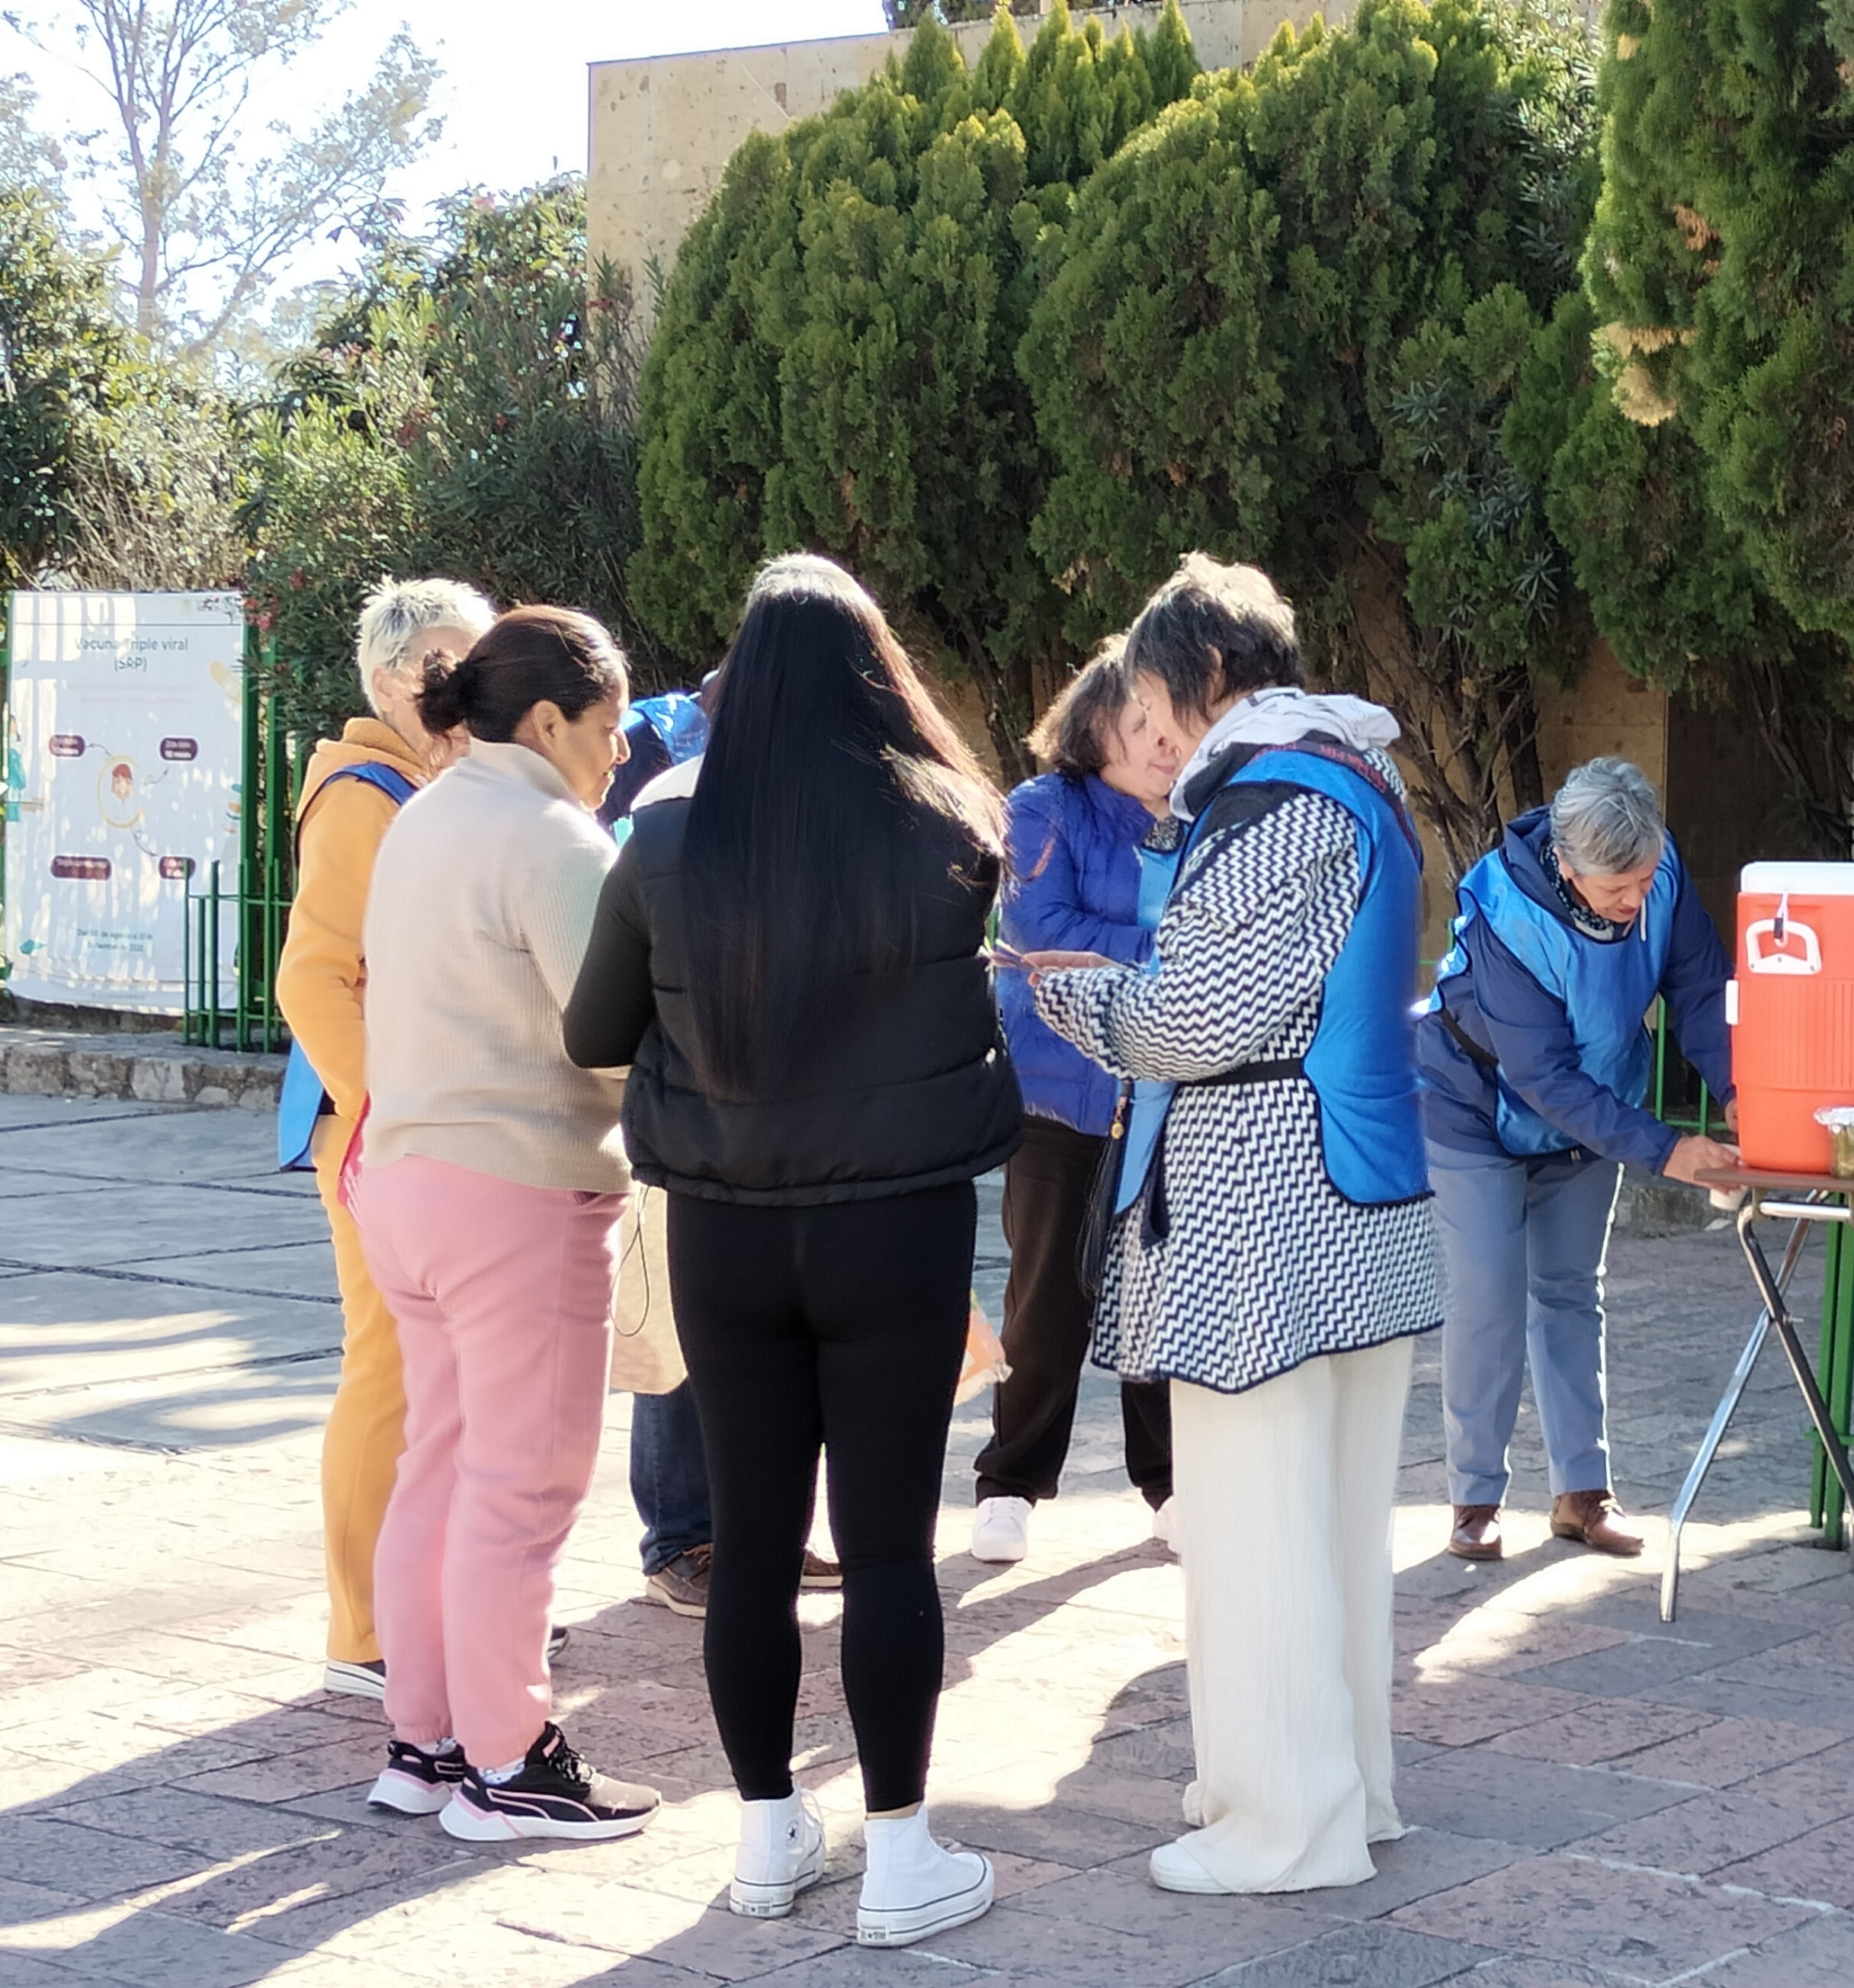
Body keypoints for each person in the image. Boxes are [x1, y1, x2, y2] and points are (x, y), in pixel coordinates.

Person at [563, 554, 1019, 1947]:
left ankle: (767, 1835)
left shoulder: (661, 844)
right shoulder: (953, 831)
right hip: (897, 1224)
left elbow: (591, 1035)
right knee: (888, 1549)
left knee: (751, 1542)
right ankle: (900, 1851)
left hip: (725, 1229)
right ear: (880, 680)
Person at [1029, 552, 1442, 1895]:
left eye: (1151, 694)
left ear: (1200, 678)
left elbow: (1193, 1018)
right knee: (1321, 1533)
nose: (1142, 726)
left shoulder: (1276, 800)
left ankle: (1285, 1824)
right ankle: (1339, 1791)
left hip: (1262, 1215)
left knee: (1259, 1533)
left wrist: (1079, 1002)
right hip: (1347, 1203)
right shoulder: (1354, 777)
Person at [353, 606, 659, 1842]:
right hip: (516, 1192)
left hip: (408, 1181)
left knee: (440, 1464)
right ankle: (510, 1759)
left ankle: (423, 1742)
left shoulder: (425, 816)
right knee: (521, 1487)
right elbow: (614, 1025)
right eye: (609, 722)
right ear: (547, 720)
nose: (622, 747)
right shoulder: (550, 834)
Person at [1417, 756, 1738, 1562]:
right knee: (1488, 1295)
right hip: (1472, 1106)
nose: (1635, 900)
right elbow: (1543, 1078)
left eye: (1642, 878)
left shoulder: (1654, 872)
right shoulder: (1505, 913)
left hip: (1589, 1106)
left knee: (1568, 1291)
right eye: (1615, 888)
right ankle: (1473, 1497)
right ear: (1565, 867)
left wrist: (1739, 1088)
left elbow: (1698, 988)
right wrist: (1666, 1149)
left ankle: (1580, 1494)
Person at [274, 576, 495, 1700]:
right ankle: (363, 1629)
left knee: (441, 1377)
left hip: (428, 1131)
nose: (459, 685)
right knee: (391, 1370)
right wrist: (383, 1114)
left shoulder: (434, 786)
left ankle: (430, 1607)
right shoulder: (365, 795)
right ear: (388, 678)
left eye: (474, 662)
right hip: (382, 1135)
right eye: (439, 666)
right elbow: (311, 975)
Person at [974, 643, 1181, 1565]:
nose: (1164, 743)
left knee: (1158, 1297)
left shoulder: (1203, 818)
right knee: (1046, 1297)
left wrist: (1138, 953)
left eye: (1174, 724)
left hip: (1165, 1095)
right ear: (1092, 724)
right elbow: (1037, 931)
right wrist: (1162, 945)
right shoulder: (1039, 810)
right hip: (1056, 1097)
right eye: (1142, 725)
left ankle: (1170, 1482)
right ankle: (1009, 1480)